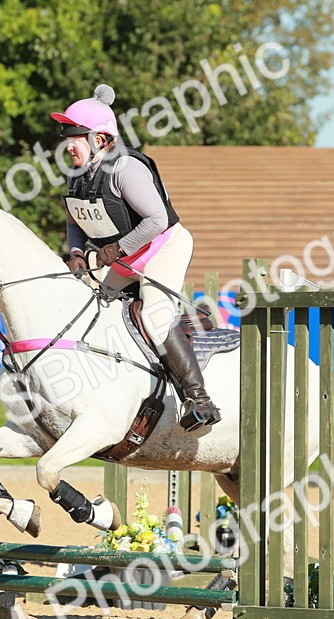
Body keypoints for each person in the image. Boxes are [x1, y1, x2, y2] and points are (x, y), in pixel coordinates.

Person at [52, 84, 221, 430]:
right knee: (97, 310)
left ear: (99, 140)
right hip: (127, 258)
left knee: (154, 316)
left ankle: (199, 400)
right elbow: (74, 221)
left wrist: (115, 250)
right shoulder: (77, 176)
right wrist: (77, 253)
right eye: (66, 136)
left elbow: (157, 220)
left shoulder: (125, 168)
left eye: (75, 136)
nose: (68, 145)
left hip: (163, 247)